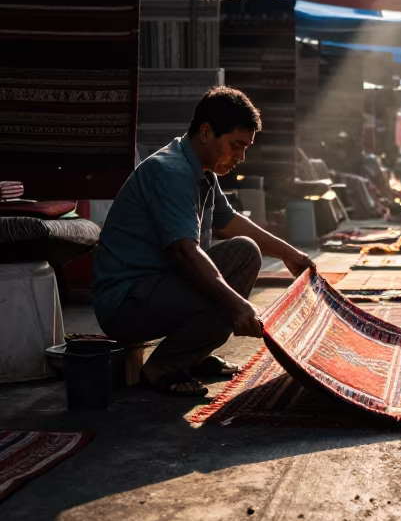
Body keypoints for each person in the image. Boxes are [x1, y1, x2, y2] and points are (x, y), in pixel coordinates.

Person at [92, 86, 314, 398]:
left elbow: (229, 221)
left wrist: (292, 255)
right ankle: (164, 367)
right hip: (124, 303)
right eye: (236, 145)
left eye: (245, 148)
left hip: (157, 288)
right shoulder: (170, 172)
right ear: (207, 132)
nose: (241, 157)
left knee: (244, 253)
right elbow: (185, 251)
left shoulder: (201, 170)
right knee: (225, 299)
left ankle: (192, 354)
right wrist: (239, 305)